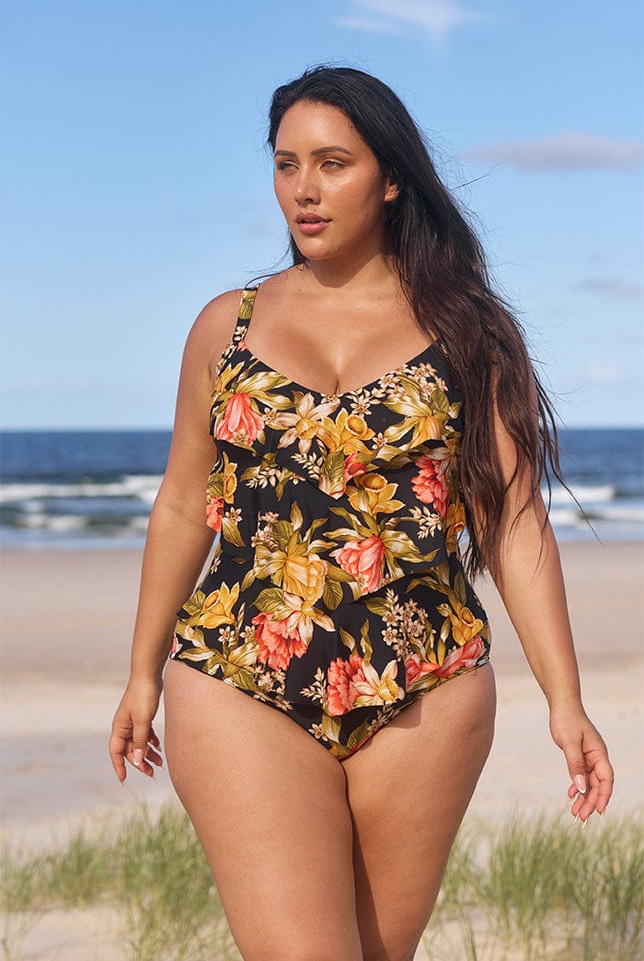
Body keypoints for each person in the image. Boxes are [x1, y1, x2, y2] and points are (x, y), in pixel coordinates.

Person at [109, 66, 614, 960]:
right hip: (240, 670)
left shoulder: (470, 332)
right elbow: (186, 500)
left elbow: (513, 521)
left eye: (331, 163)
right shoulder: (226, 325)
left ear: (389, 178)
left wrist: (565, 700)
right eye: (285, 164)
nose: (302, 189)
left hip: (430, 682)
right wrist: (143, 671)